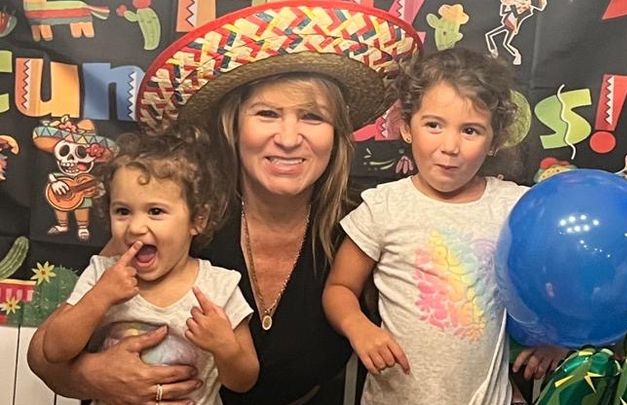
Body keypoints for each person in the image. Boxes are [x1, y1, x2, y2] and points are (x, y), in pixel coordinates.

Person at [27, 2, 421, 404]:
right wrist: (93, 377)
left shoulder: (364, 223)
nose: (288, 138)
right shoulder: (181, 209)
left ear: (336, 133)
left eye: (312, 117)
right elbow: (43, 357)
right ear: (233, 124)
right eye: (267, 114)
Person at [322, 47, 566, 405]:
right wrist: (358, 327)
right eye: (434, 125)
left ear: (495, 140)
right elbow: (339, 287)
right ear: (406, 127)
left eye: (470, 130)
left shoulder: (515, 206)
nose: (450, 146)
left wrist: (558, 339)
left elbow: (563, 282)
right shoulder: (384, 207)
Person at [41, 127, 260, 404]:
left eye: (155, 211)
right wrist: (99, 297)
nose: (135, 227)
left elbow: (244, 381)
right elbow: (54, 350)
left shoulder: (218, 286)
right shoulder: (101, 274)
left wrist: (225, 347)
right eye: (122, 211)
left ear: (198, 220)